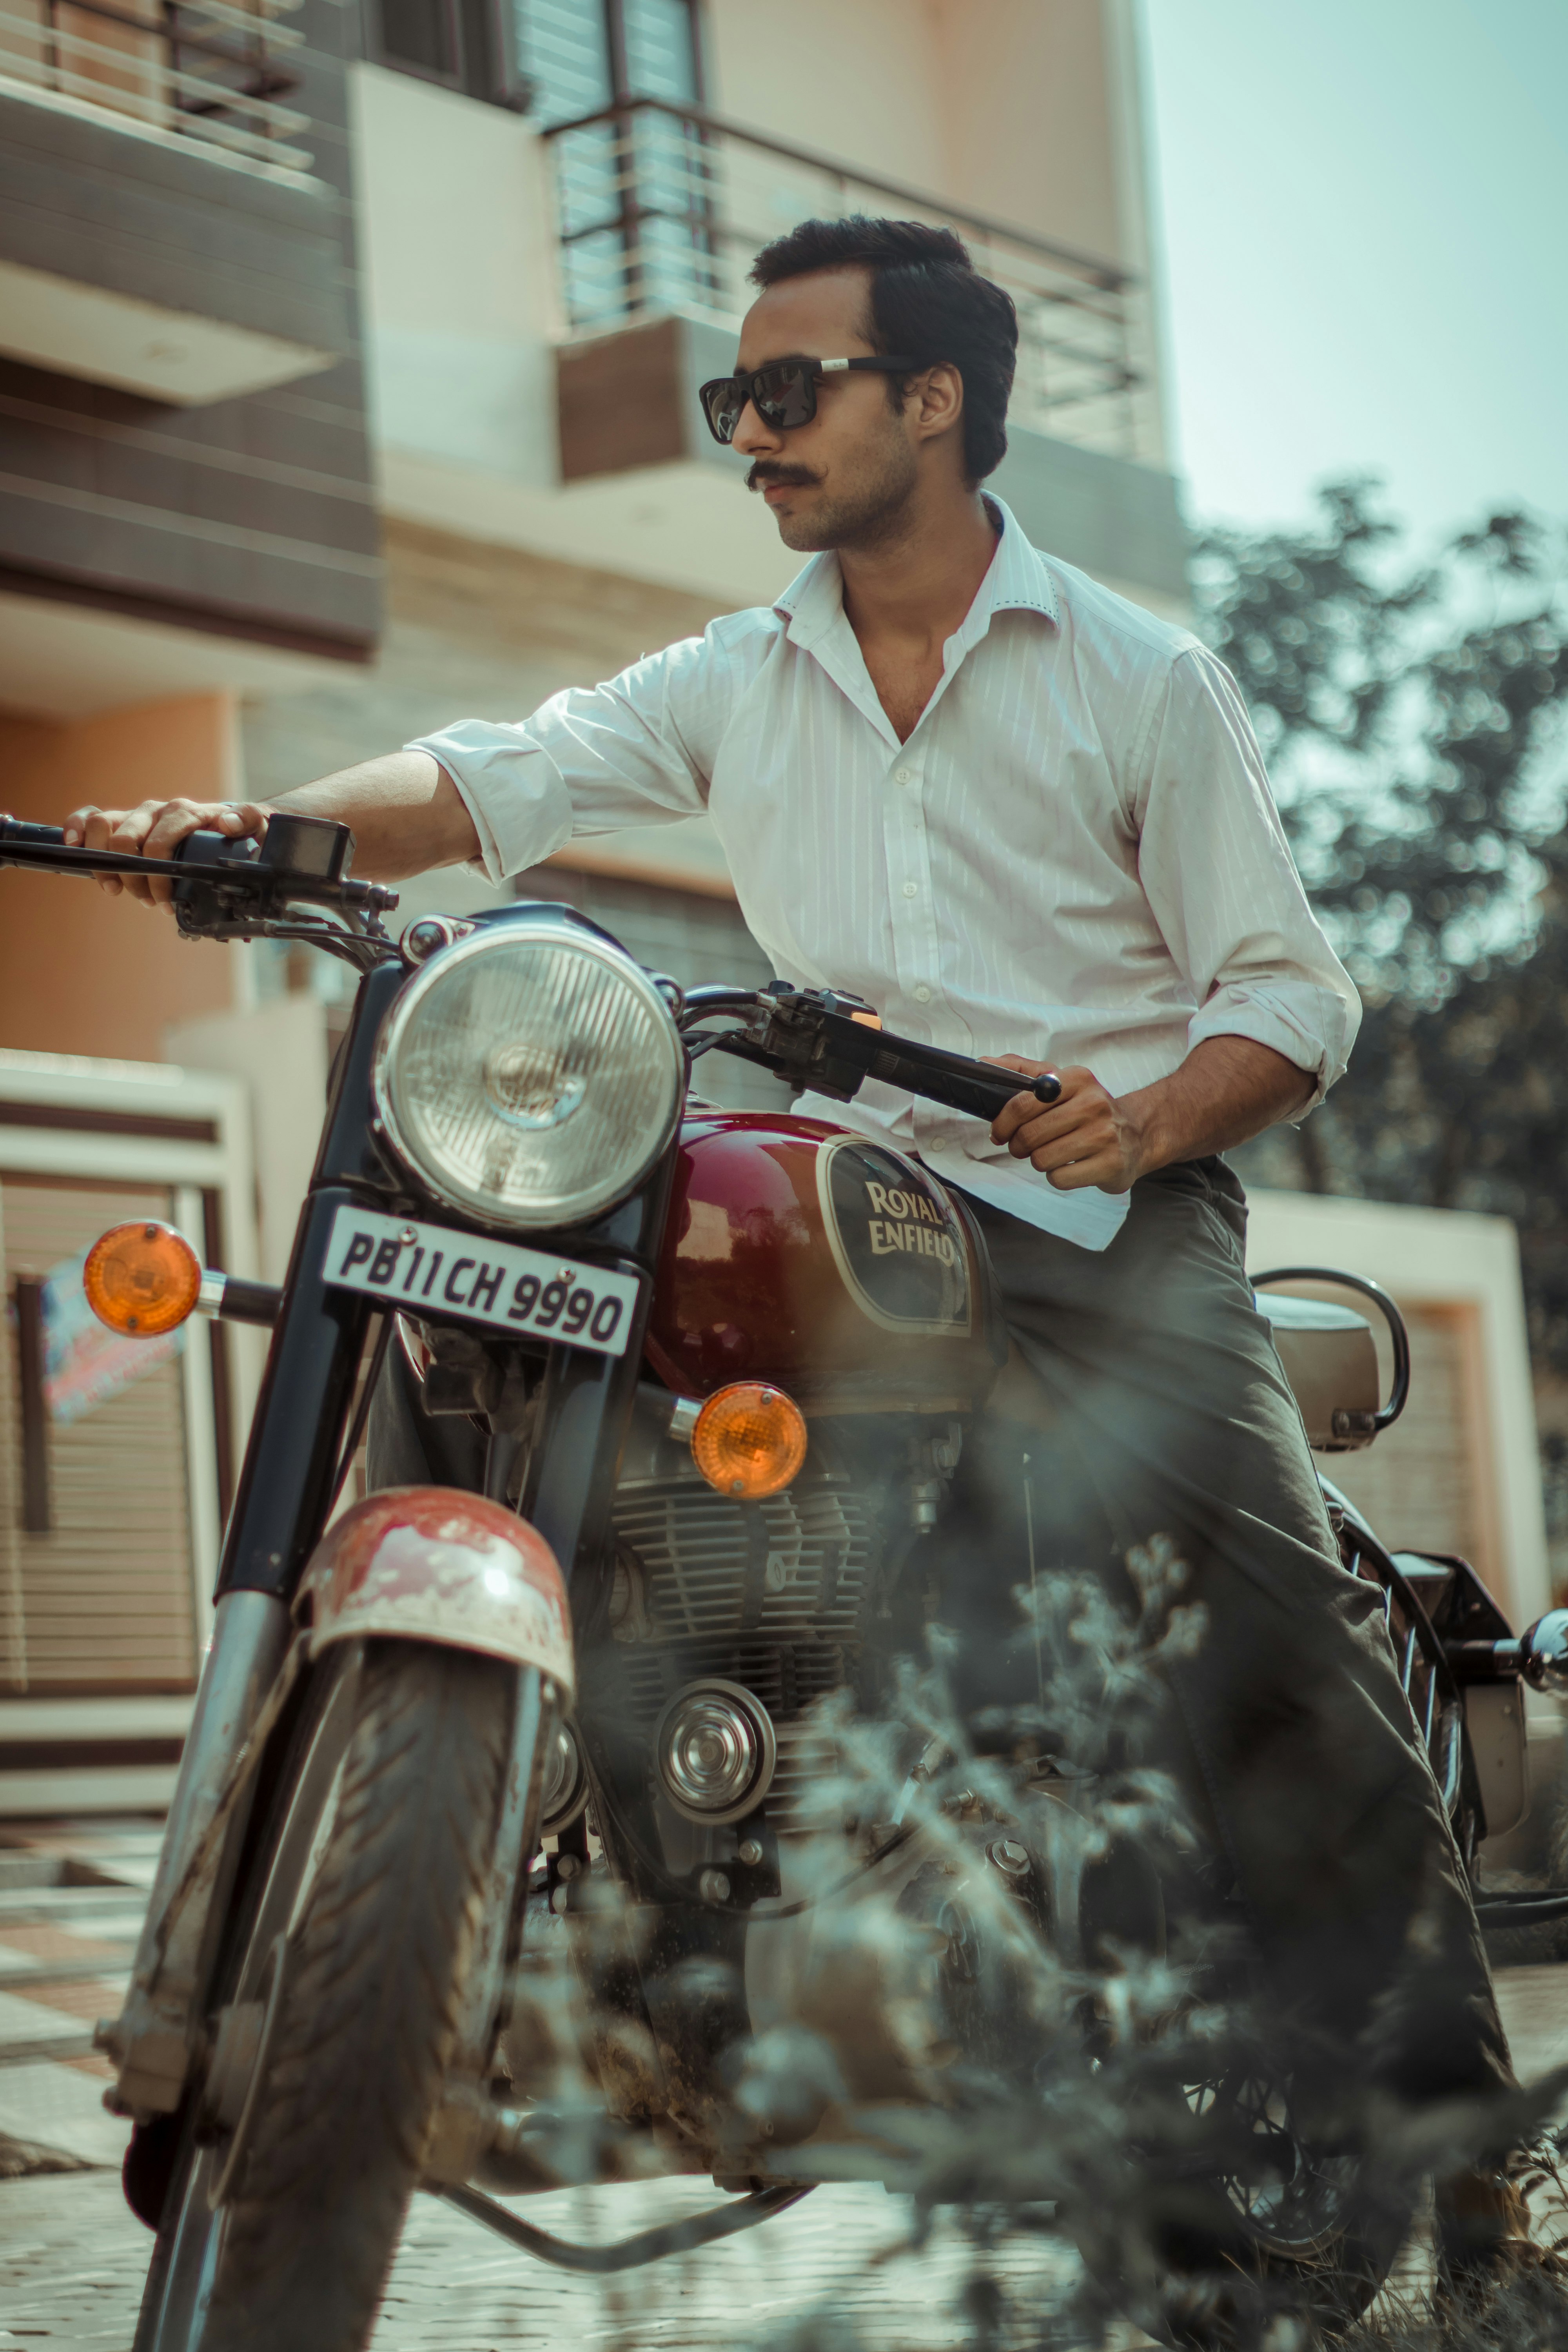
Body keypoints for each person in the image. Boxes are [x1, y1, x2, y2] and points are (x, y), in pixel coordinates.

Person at [65, 214, 1529, 2272]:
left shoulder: (1135, 677)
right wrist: (257, 829)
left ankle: (1466, 2152)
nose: (744, 430)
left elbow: (1291, 1003)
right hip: (873, 1214)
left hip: (1107, 1210)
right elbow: (498, 777)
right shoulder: (739, 680)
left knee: (1268, 1632)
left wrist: (1149, 1114)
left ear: (932, 403)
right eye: (729, 396)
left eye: (784, 389)